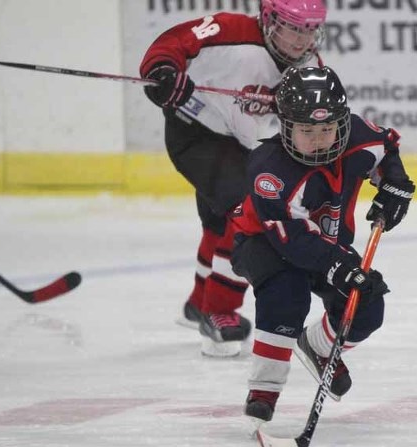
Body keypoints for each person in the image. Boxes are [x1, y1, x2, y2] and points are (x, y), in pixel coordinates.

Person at [139, 0, 327, 357]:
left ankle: (198, 303)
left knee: (217, 222)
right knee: (247, 211)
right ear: (270, 20)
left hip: (242, 146)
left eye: (309, 29)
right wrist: (164, 72)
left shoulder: (308, 68)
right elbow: (171, 43)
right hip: (197, 131)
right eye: (293, 27)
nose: (302, 39)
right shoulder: (231, 32)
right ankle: (219, 311)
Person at [229, 66, 416, 421]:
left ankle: (319, 346)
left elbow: (386, 148)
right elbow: (292, 241)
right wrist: (339, 266)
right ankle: (264, 390)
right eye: (306, 130)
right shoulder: (270, 169)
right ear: (286, 126)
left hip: (326, 243)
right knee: (287, 292)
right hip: (263, 242)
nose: (318, 139)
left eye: (327, 129)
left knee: (367, 305)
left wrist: (393, 183)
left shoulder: (357, 137)